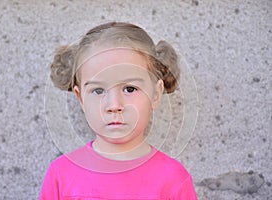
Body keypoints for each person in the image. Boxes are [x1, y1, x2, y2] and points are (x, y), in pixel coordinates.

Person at [40, 21, 197, 199]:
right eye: (98, 90)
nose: (114, 105)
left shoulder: (173, 179)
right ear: (80, 98)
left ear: (155, 94)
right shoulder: (61, 175)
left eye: (130, 89)